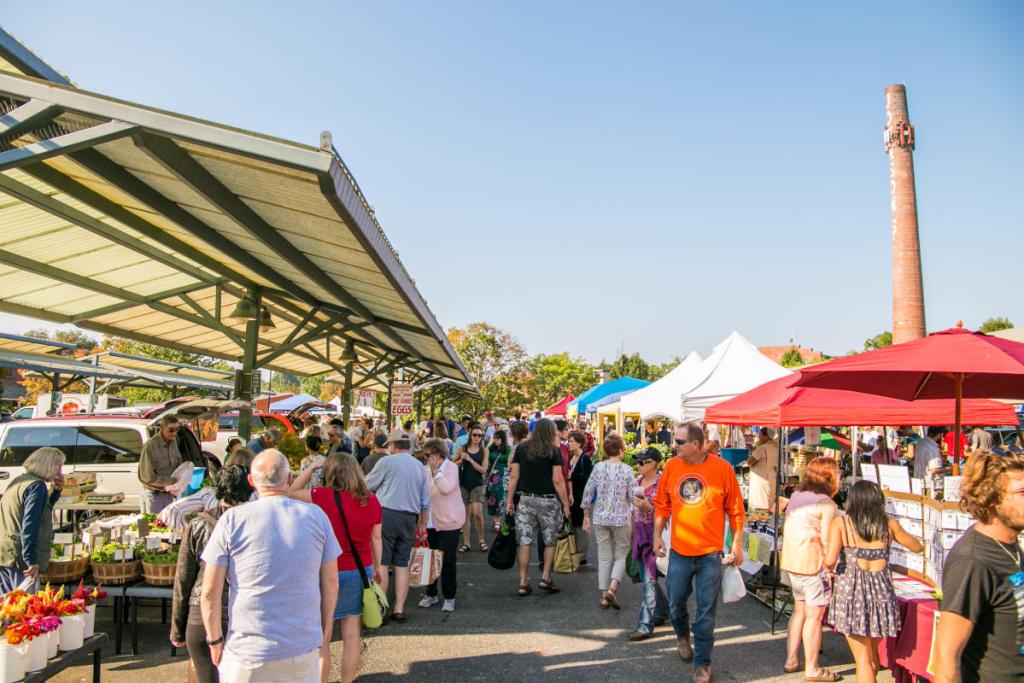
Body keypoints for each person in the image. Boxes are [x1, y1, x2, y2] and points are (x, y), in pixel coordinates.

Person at [200, 450, 340, 683]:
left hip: (247, 649)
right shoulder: (317, 516)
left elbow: (209, 591)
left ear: (252, 481)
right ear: (289, 478)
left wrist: (214, 640)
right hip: (302, 646)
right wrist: (323, 633)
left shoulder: (232, 519)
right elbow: (331, 583)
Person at [653, 423, 744, 683]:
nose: (675, 446)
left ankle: (703, 663)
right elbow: (662, 504)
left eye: (680, 442)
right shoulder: (672, 466)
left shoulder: (722, 469)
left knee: (706, 611)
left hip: (711, 554)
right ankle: (682, 635)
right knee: (675, 602)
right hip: (680, 550)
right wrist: (657, 535)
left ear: (695, 444)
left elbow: (736, 511)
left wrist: (736, 544)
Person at [289, 453, 382, 683]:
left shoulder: (322, 496)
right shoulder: (370, 499)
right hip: (360, 570)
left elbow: (289, 493)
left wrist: (311, 467)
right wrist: (378, 567)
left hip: (326, 571)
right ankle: (347, 680)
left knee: (324, 635)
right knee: (352, 632)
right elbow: (376, 538)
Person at [933, 449, 1024, 683]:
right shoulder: (973, 561)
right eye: (1022, 492)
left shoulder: (1010, 544)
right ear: (991, 499)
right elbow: (946, 660)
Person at [825, 480, 922, 683]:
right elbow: (916, 547)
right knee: (871, 653)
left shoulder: (841, 523)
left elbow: (830, 560)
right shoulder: (888, 524)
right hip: (882, 596)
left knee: (863, 660)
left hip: (852, 596)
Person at [171, 466, 254, 683]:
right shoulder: (254, 524)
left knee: (204, 674)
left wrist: (177, 628)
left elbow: (184, 578)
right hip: (242, 614)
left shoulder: (198, 523)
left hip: (200, 615)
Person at [780, 457, 841, 681]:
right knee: (814, 617)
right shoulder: (826, 503)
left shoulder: (796, 496)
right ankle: (812, 667)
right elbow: (827, 538)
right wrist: (831, 563)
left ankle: (791, 659)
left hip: (793, 561)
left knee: (799, 611)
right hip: (813, 564)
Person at [365, 428, 430, 622]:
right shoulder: (419, 466)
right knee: (402, 564)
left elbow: (367, 485)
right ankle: (399, 608)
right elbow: (425, 501)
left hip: (387, 515)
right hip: (410, 518)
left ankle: (381, 607)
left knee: (382, 562)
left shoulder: (386, 462)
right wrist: (422, 525)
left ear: (392, 445)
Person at [506, 418, 570, 597]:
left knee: (524, 541)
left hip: (526, 499)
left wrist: (510, 500)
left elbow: (514, 476)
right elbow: (558, 480)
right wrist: (565, 504)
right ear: (550, 432)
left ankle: (522, 582)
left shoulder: (522, 448)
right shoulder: (553, 451)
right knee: (550, 540)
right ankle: (545, 577)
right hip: (548, 501)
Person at [581, 433, 634, 609]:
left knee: (604, 556)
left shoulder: (598, 467)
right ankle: (612, 588)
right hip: (621, 517)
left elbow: (588, 492)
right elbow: (633, 497)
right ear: (620, 450)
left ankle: (604, 596)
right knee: (621, 555)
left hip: (600, 516)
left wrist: (586, 515)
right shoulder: (627, 470)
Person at [0, 447, 64, 592]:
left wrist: (56, 492)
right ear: (49, 465)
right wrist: (31, 561)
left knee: (6, 607)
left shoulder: (19, 481)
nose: (60, 473)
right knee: (24, 609)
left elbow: (38, 513)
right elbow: (29, 525)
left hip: (5, 553)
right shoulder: (37, 486)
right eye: (59, 468)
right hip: (20, 560)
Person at [419, 438, 465, 612]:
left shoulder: (451, 468)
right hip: (430, 521)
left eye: (428, 455)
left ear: (438, 455)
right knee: (430, 559)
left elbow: (446, 489)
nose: (426, 458)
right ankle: (431, 593)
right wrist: (421, 522)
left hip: (449, 521)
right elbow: (423, 497)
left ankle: (449, 596)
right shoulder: (425, 470)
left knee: (447, 560)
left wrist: (437, 472)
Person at [628, 447, 668, 641]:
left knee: (649, 581)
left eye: (642, 462)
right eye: (637, 461)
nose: (638, 465)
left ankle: (645, 625)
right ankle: (662, 611)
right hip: (640, 533)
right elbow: (633, 511)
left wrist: (649, 507)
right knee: (647, 578)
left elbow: (667, 511)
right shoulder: (638, 482)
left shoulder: (662, 483)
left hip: (655, 534)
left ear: (653, 464)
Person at [455, 423, 490, 552]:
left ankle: (481, 539)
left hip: (477, 484)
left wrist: (470, 460)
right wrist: (461, 460)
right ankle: (466, 542)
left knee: (477, 514)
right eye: (474, 435)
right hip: (464, 484)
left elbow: (484, 469)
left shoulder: (484, 451)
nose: (477, 437)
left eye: (480, 435)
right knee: (464, 516)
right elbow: (452, 465)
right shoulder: (462, 448)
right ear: (470, 435)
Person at [139, 415, 184, 514]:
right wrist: (170, 481)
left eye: (176, 430)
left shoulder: (173, 441)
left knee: (168, 526)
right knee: (152, 527)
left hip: (168, 494)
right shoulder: (150, 446)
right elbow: (147, 477)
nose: (174, 433)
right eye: (171, 430)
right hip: (154, 495)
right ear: (162, 428)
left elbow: (178, 462)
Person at [567, 431, 594, 565]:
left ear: (579, 443)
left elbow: (589, 479)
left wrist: (572, 476)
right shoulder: (570, 457)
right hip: (570, 496)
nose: (569, 444)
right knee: (571, 525)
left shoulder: (585, 459)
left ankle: (582, 554)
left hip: (581, 496)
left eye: (572, 441)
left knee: (580, 526)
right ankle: (573, 551)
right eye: (569, 441)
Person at [486, 430, 513, 530]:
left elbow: (510, 464)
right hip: (492, 477)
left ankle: (498, 520)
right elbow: (487, 462)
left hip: (503, 476)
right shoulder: (490, 449)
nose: (496, 440)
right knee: (492, 498)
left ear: (503, 439)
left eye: (498, 438)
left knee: (501, 498)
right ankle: (495, 519)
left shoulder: (508, 449)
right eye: (495, 438)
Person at [747, 428, 778, 513]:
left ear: (766, 436)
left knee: (759, 507)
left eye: (760, 435)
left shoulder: (762, 448)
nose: (758, 438)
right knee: (768, 505)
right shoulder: (775, 448)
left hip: (761, 479)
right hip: (771, 478)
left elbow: (749, 462)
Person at [913, 426, 950, 496]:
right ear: (939, 435)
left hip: (919, 482)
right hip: (931, 485)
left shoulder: (920, 443)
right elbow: (934, 470)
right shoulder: (933, 448)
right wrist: (952, 468)